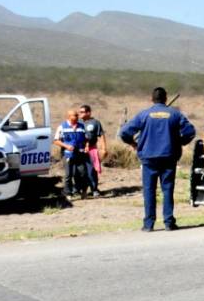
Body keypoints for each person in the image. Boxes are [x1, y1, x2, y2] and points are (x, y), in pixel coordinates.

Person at [119, 87, 196, 231]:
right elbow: (190, 132)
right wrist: (180, 142)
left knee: (149, 190)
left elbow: (124, 132)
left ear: (151, 99)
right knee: (167, 190)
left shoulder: (144, 115)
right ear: (166, 98)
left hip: (148, 158)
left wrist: (133, 144)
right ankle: (168, 222)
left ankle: (148, 224)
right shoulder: (175, 114)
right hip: (169, 156)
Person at [54, 109, 92, 199]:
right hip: (68, 154)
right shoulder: (62, 127)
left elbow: (87, 139)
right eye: (74, 115)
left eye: (77, 115)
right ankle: (68, 193)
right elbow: (56, 141)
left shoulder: (82, 126)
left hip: (80, 153)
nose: (77, 117)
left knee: (83, 173)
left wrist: (87, 146)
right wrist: (66, 146)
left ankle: (83, 191)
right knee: (68, 175)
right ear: (69, 117)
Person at [78, 104, 106, 197]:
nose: (80, 114)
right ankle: (82, 190)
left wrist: (104, 148)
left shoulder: (95, 122)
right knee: (81, 171)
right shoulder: (78, 123)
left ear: (88, 112)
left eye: (82, 112)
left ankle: (94, 189)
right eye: (80, 112)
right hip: (79, 150)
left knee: (91, 170)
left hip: (91, 149)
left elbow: (101, 135)